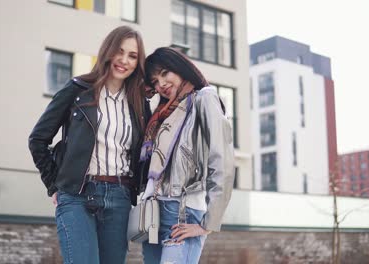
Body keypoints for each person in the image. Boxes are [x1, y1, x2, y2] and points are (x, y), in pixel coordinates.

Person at [28, 26, 149, 264]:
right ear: (108, 52)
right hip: (77, 196)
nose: (124, 60)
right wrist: (55, 184)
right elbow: (38, 139)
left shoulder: (139, 103)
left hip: (120, 196)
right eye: (120, 51)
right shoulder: (77, 90)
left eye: (132, 56)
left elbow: (145, 152)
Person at [140, 47, 235, 264]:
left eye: (165, 73)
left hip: (182, 212)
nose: (161, 84)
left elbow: (222, 161)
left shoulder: (204, 98)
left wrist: (207, 224)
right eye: (154, 81)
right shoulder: (164, 113)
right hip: (154, 212)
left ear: (180, 68)